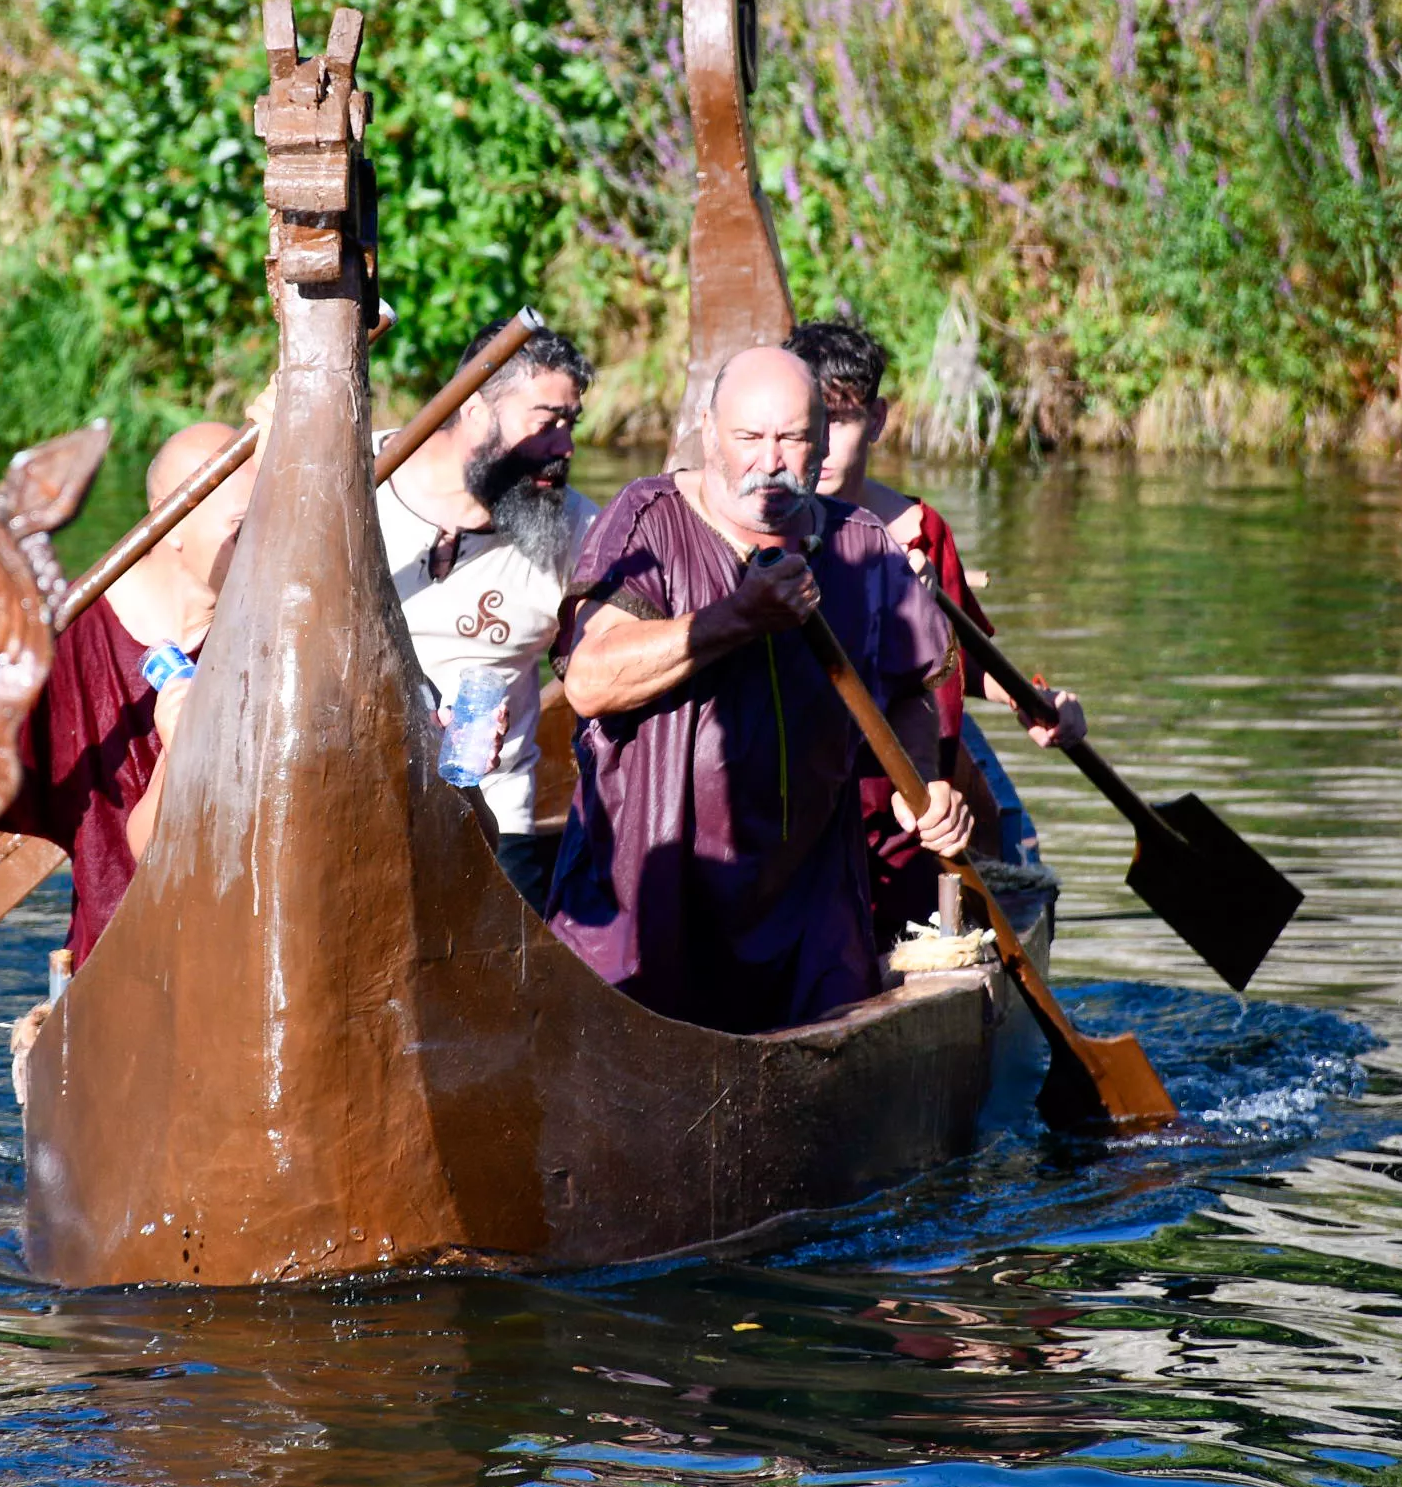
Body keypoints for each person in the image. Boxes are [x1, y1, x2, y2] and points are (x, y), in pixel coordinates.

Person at [543, 346, 973, 1034]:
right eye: (748, 437)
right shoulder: (648, 520)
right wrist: (737, 619)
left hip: (810, 917)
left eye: (792, 438)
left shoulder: (862, 544)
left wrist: (921, 786)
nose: (769, 460)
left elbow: (909, 692)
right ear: (710, 434)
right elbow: (591, 683)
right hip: (648, 903)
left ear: (823, 442)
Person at [784, 317, 1086, 940]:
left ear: (878, 420)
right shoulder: (773, 531)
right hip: (822, 803)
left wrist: (1031, 702)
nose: (822, 444)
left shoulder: (921, 529)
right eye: (810, 423)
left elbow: (959, 658)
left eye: (840, 422)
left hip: (921, 804)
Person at [0, 419, 257, 971]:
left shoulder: (278, 628)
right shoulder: (63, 633)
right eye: (242, 523)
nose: (263, 540)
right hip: (111, 971)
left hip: (246, 955)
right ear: (173, 519)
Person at [374, 319, 599, 899]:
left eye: (570, 424)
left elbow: (605, 671)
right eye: (545, 422)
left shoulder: (577, 528)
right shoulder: (354, 481)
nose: (564, 447)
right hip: (358, 806)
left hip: (497, 827)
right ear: (474, 410)